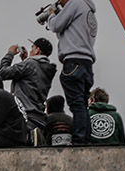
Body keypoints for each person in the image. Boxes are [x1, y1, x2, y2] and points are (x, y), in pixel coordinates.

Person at [43, 0, 98, 145]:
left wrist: (51, 15)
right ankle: (85, 139)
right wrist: (59, 14)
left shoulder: (74, 3)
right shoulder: (88, 10)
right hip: (86, 63)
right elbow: (66, 32)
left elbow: (56, 25)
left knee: (77, 104)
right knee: (82, 104)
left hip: (73, 61)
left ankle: (79, 140)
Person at [0, 38, 57, 143]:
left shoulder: (29, 64)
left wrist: (10, 54)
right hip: (38, 116)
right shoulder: (47, 68)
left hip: (25, 115)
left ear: (37, 50)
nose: (30, 50)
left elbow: (2, 73)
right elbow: (31, 78)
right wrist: (24, 60)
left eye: (33, 48)